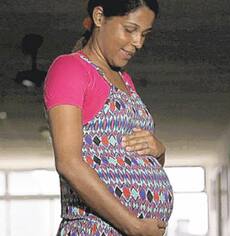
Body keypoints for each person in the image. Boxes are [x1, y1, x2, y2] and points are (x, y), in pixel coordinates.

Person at [43, 0, 173, 235]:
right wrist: (133, 226)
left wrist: (158, 150)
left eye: (145, 34)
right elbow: (68, 163)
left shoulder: (124, 80)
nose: (138, 43)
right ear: (100, 17)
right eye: (130, 29)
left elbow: (128, 158)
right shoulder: (69, 69)